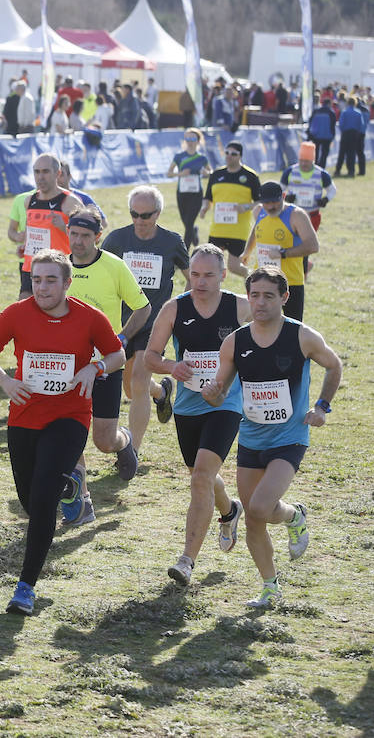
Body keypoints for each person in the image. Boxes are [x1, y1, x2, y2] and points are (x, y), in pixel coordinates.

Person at [0, 250, 125, 614]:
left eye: (50, 280)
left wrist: (96, 368)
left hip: (70, 416)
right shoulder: (17, 313)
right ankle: (69, 484)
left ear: (67, 282)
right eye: (37, 279)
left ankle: (25, 587)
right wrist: (5, 382)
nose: (41, 287)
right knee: (30, 503)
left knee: (43, 502)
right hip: (24, 415)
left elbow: (118, 354)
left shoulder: (90, 318)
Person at [201, 267, 342, 609]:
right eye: (254, 295)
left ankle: (292, 517)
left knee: (261, 508)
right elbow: (221, 390)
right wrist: (212, 395)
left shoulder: (302, 336)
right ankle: (270, 586)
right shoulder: (235, 341)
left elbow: (334, 365)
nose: (260, 302)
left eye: (268, 295)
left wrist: (322, 407)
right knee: (253, 516)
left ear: (284, 297)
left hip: (290, 437)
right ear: (247, 297)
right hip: (250, 438)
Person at [144, 245, 250, 586]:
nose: (200, 282)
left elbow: (267, 341)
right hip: (188, 407)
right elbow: (150, 356)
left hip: (226, 404)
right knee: (200, 474)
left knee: (201, 476)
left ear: (223, 274)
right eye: (195, 274)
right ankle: (229, 511)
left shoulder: (241, 308)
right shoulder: (175, 308)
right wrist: (171, 366)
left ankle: (187, 560)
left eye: (208, 275)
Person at [61, 211, 152, 525]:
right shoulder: (59, 267)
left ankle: (123, 440)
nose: (78, 241)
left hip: (105, 363)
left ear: (97, 237)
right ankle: (81, 500)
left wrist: (123, 336)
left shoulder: (114, 266)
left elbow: (143, 307)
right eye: (74, 234)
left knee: (103, 440)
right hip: (66, 366)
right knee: (69, 432)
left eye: (85, 236)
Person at [102, 185, 190, 452]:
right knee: (130, 388)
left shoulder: (172, 242)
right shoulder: (116, 239)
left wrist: (178, 311)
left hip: (154, 323)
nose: (140, 221)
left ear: (158, 213)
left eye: (146, 215)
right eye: (134, 214)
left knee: (138, 382)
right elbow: (100, 271)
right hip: (123, 323)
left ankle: (132, 452)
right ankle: (161, 392)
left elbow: (191, 277)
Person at [233, 182, 318, 321]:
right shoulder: (259, 211)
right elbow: (256, 230)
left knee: (292, 328)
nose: (271, 207)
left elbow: (313, 246)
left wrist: (283, 253)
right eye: (267, 203)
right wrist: (247, 251)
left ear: (283, 196)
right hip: (261, 280)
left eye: (275, 202)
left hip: (290, 282)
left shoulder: (296, 215)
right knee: (260, 322)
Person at [6, 155, 83, 299]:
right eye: (37, 172)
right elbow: (33, 231)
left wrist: (64, 227)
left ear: (58, 173)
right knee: (25, 312)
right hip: (31, 268)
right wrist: (25, 246)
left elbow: (87, 240)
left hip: (57, 271)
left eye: (45, 172)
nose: (40, 177)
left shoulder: (70, 202)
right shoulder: (29, 200)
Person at [198, 141, 262, 261]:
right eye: (227, 152)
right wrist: (204, 208)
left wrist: (246, 207)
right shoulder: (216, 175)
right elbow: (208, 198)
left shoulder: (250, 176)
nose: (229, 156)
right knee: (211, 262)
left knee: (235, 266)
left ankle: (249, 278)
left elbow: (260, 202)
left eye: (233, 154)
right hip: (217, 229)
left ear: (240, 156)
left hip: (238, 230)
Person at [166, 129, 210, 249]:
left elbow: (209, 173)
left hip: (196, 193)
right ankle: (194, 233)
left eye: (193, 139)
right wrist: (180, 174)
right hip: (182, 193)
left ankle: (184, 251)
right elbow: (169, 173)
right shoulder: (179, 156)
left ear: (198, 141)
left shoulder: (202, 158)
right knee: (186, 222)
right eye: (188, 139)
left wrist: (205, 172)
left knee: (189, 223)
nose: (190, 142)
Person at [279, 141, 336, 233]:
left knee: (308, 244)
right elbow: (279, 190)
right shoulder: (290, 172)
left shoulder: (321, 174)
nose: (303, 164)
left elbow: (332, 190)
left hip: (312, 215)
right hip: (293, 214)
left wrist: (325, 200)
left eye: (307, 161)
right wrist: (286, 198)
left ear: (313, 160)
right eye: (301, 160)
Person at [335, 92, 366, 177]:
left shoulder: (345, 112)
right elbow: (361, 125)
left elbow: (341, 124)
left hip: (345, 133)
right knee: (351, 153)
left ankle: (338, 170)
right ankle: (351, 171)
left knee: (342, 153)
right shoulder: (358, 112)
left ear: (348, 103)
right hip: (354, 134)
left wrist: (344, 131)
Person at [307, 96, 337, 169]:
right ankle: (322, 168)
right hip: (327, 136)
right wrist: (333, 135)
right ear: (329, 104)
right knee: (324, 154)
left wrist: (310, 134)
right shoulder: (331, 112)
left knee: (315, 153)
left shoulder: (316, 111)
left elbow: (310, 123)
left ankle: (315, 166)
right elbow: (333, 125)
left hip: (316, 136)